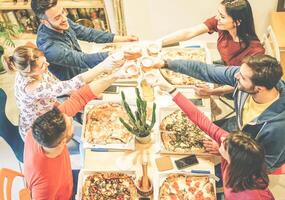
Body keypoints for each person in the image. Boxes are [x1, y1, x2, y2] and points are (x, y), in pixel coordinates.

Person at [155, 54, 285, 172]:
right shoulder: (246, 76)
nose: (236, 76)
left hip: (251, 157)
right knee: (193, 136)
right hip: (238, 127)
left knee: (210, 170)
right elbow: (205, 70)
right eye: (239, 71)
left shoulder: (278, 128)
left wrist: (227, 152)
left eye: (242, 77)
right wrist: (166, 63)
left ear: (259, 89)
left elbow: (265, 165)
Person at [24, 66, 131, 199]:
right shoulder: (44, 185)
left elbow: (81, 96)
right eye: (70, 124)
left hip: (67, 177)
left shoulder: (38, 131)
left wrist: (116, 75)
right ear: (63, 141)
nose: (70, 117)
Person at [155, 82, 274, 199]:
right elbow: (201, 120)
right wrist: (172, 91)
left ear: (233, 160)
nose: (221, 139)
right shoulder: (236, 151)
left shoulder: (239, 194)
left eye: (225, 146)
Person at [4, 45, 125, 140]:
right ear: (29, 72)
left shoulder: (33, 70)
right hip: (39, 130)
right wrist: (103, 66)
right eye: (42, 65)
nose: (47, 65)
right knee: (82, 137)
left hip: (49, 110)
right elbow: (70, 84)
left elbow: (60, 86)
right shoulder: (32, 87)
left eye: (45, 61)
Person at [158, 0, 265, 96]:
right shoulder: (222, 25)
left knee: (190, 88)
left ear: (237, 22)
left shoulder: (255, 51)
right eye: (218, 13)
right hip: (223, 67)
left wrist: (212, 92)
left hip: (235, 86)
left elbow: (242, 83)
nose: (217, 18)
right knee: (187, 69)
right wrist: (158, 42)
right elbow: (189, 32)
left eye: (222, 16)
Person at [31, 0, 138, 81]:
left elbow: (88, 33)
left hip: (84, 71)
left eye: (63, 11)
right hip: (74, 83)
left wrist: (124, 38)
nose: (64, 18)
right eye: (57, 17)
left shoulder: (61, 20)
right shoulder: (49, 47)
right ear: (44, 22)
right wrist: (116, 54)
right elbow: (82, 60)